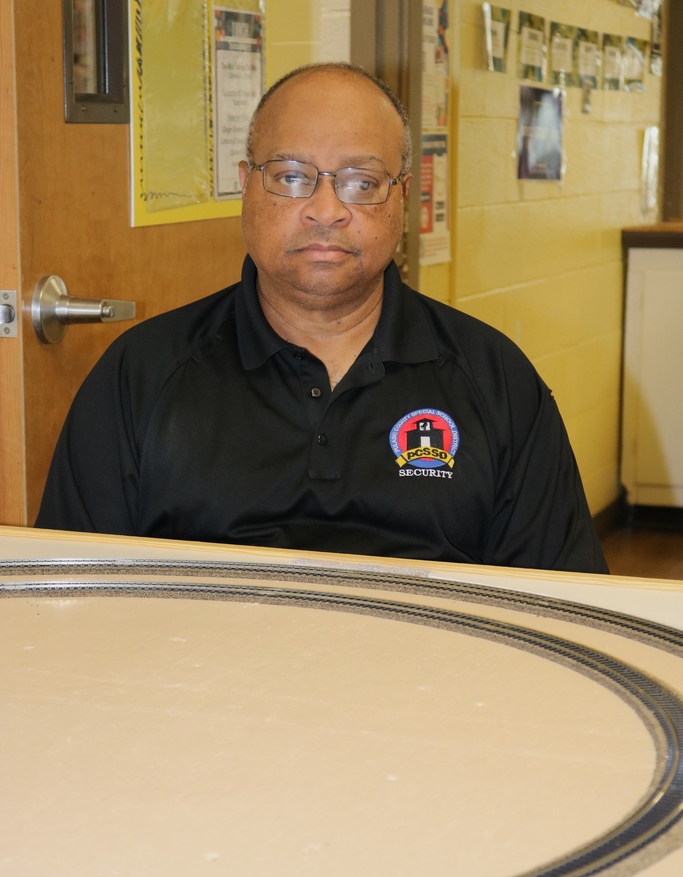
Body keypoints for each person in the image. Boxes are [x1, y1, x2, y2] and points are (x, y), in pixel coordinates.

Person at [36, 63, 607, 573]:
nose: (327, 210)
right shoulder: (142, 375)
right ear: (246, 186)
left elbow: (565, 606)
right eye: (290, 177)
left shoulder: (496, 382)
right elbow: (66, 596)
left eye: (361, 183)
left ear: (401, 198)